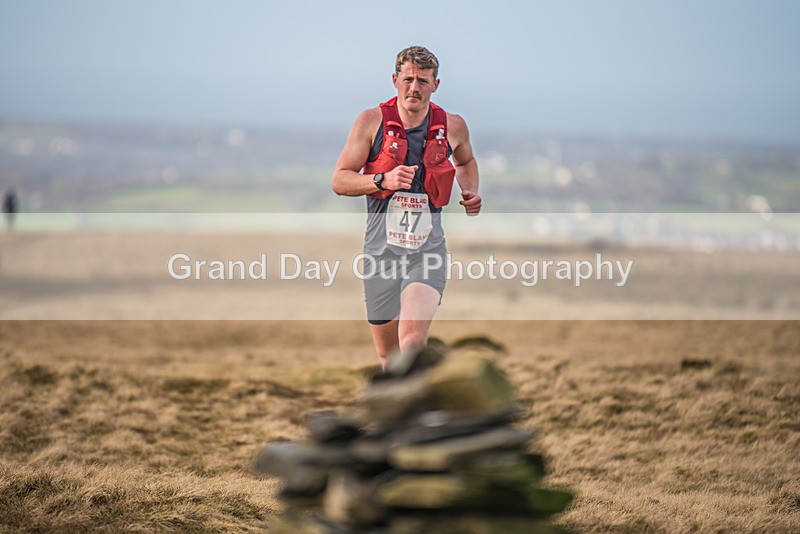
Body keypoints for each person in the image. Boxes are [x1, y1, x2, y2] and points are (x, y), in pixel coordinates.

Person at [332, 46, 481, 369]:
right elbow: (340, 181)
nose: (415, 88)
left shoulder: (452, 126)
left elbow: (466, 160)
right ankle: (397, 416)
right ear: (395, 80)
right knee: (389, 356)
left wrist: (470, 191)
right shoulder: (371, 121)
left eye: (423, 81)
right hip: (380, 253)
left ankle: (425, 413)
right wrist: (381, 180)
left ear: (436, 85)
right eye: (409, 79)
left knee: (412, 342)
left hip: (426, 251)